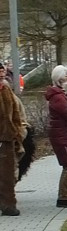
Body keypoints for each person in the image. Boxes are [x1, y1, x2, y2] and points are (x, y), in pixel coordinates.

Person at [45, 65, 67, 208]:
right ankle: (64, 196)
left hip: (64, 135)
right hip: (62, 136)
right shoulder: (59, 97)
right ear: (60, 79)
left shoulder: (61, 95)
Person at [0, 63, 27, 216]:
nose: (2, 79)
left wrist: (18, 131)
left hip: (8, 138)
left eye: (3, 76)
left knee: (8, 174)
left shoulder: (6, 90)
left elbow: (16, 112)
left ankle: (8, 204)